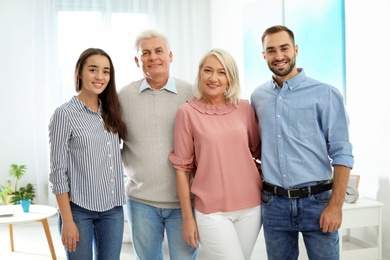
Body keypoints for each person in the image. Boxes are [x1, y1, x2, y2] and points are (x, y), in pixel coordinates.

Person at [250, 25, 354, 260]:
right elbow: (255, 148)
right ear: (264, 55)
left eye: (284, 48)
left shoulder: (325, 94)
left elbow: (342, 154)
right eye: (272, 50)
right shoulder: (258, 97)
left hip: (317, 202)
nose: (279, 56)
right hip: (274, 204)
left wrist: (335, 206)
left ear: (295, 49)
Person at [169, 48, 262, 260]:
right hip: (211, 211)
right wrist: (187, 218)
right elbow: (182, 170)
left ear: (230, 78)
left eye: (221, 72)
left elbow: (257, 153)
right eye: (208, 71)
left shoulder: (245, 109)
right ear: (200, 74)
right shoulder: (187, 113)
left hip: (251, 207)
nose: (213, 78)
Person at [118, 29, 198, 260]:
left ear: (170, 56)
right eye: (146, 53)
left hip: (185, 202)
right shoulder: (122, 97)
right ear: (137, 60)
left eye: (159, 51)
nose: (153, 57)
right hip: (141, 201)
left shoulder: (192, 93)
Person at [49, 48, 127, 259]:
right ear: (80, 73)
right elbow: (58, 172)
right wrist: (67, 219)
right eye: (93, 70)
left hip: (112, 210)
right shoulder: (64, 115)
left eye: (106, 71)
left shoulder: (112, 111)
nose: (100, 77)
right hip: (78, 211)